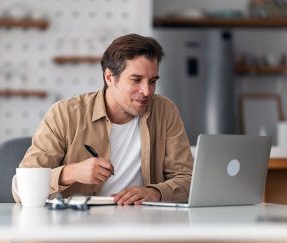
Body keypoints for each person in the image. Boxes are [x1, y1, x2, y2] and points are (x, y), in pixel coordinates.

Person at [13, 33, 193, 205]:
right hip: (78, 226)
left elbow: (188, 179)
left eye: (152, 81)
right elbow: (21, 188)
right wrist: (70, 172)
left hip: (143, 225)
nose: (147, 91)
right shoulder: (65, 114)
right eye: (136, 80)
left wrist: (155, 192)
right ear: (109, 77)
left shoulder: (165, 111)